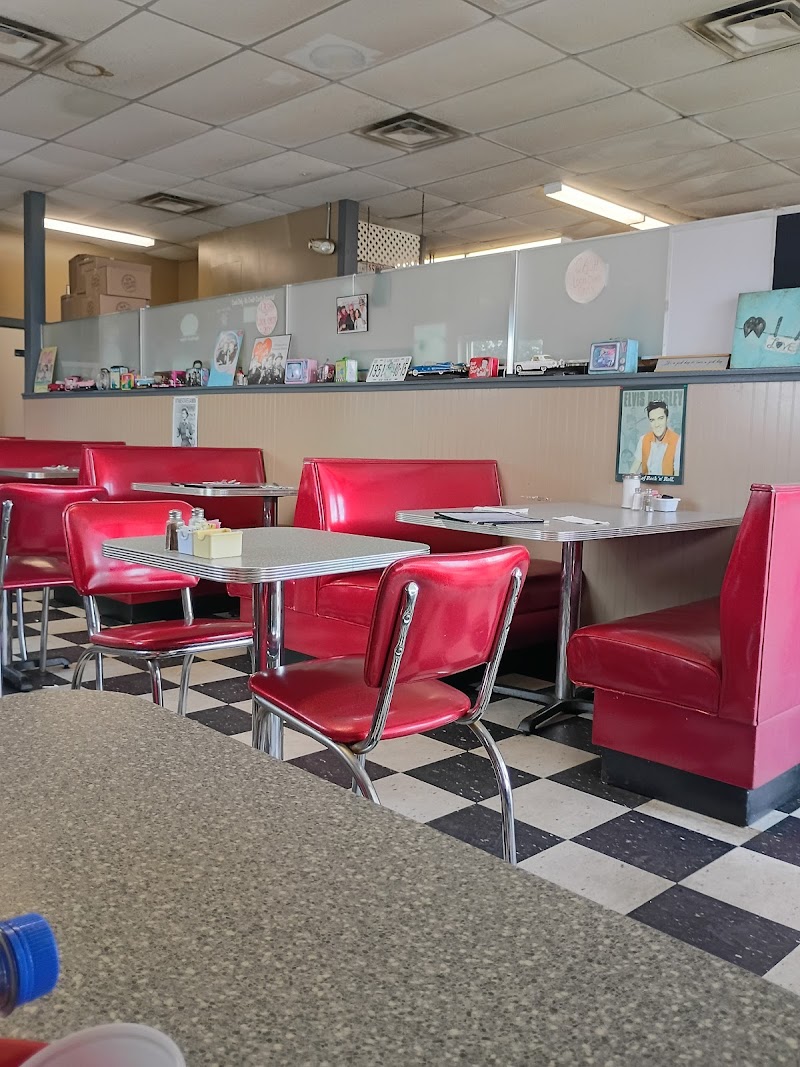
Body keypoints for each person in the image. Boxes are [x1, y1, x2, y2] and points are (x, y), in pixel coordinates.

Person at [630, 400, 681, 477]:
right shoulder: (643, 439)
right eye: (652, 420)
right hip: (647, 487)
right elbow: (633, 470)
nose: (656, 424)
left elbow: (677, 476)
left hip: (667, 487)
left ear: (667, 419)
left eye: (660, 418)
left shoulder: (677, 441)